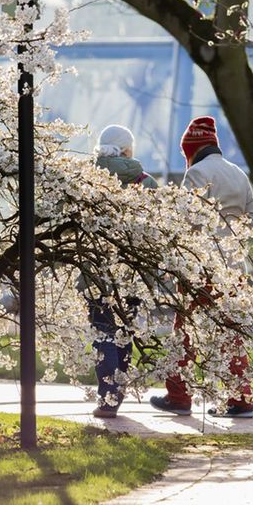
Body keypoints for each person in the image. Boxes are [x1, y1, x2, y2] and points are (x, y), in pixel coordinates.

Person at [149, 116, 253, 418]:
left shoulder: (197, 173)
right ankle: (241, 399)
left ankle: (179, 396)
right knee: (230, 333)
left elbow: (187, 219)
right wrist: (231, 233)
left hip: (203, 268)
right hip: (234, 269)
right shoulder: (238, 173)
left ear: (192, 148)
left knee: (184, 332)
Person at [88, 124, 157, 418]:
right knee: (124, 331)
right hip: (132, 271)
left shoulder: (86, 179)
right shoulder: (145, 182)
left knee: (102, 331)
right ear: (128, 150)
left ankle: (108, 397)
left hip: (97, 269)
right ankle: (116, 394)